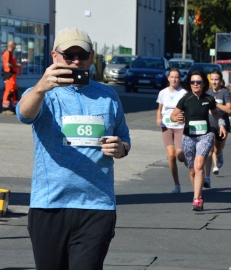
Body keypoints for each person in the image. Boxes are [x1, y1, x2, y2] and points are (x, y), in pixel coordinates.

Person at [16, 28, 130, 269]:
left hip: (96, 206)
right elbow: (23, 115)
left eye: (82, 55)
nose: (76, 61)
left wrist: (119, 147)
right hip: (49, 205)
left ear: (91, 57)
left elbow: (124, 140)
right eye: (69, 55)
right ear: (54, 56)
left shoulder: (108, 95)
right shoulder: (43, 94)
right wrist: (40, 88)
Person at [170, 70, 226, 211]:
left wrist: (221, 125)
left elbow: (216, 114)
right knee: (192, 170)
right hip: (189, 136)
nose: (196, 84)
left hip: (205, 136)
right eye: (193, 82)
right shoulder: (186, 98)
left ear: (203, 84)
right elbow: (172, 116)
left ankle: (197, 199)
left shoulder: (209, 99)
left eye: (199, 82)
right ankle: (198, 194)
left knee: (199, 163)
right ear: (190, 84)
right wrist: (177, 118)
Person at [156, 68, 187, 193]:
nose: (174, 79)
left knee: (180, 156)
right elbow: (159, 109)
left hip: (179, 126)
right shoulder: (163, 93)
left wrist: (183, 115)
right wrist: (158, 118)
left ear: (179, 79)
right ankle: (177, 185)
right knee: (171, 155)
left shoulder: (184, 93)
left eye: (176, 77)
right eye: (172, 77)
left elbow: (187, 109)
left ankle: (187, 160)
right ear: (168, 78)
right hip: (166, 125)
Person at [204, 70, 231, 187]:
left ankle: (220, 154)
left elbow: (229, 110)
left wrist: (215, 104)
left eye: (216, 79)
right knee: (209, 150)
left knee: (217, 149)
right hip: (209, 124)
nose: (214, 82)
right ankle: (208, 177)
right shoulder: (207, 92)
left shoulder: (225, 93)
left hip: (222, 125)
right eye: (212, 79)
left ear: (221, 81)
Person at [2, 40, 21, 115]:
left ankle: (15, 107)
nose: (15, 46)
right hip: (9, 75)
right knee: (9, 91)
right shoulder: (8, 54)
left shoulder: (9, 54)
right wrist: (17, 65)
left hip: (12, 75)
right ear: (12, 45)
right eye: (14, 45)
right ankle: (5, 109)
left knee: (14, 92)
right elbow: (8, 65)